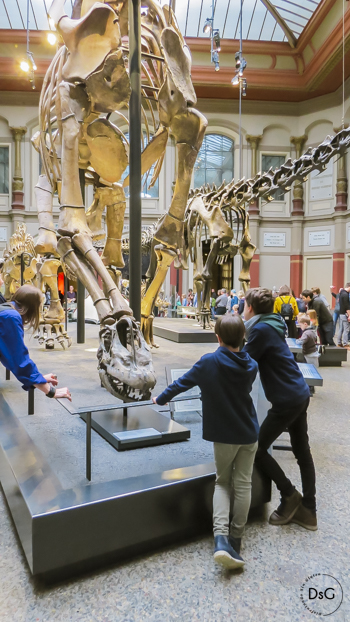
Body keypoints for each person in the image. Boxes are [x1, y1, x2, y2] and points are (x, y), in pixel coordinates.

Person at [153, 315, 259, 569]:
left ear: (218, 338)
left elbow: (182, 383)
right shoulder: (252, 364)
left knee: (223, 483)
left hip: (225, 434)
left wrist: (161, 398)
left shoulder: (209, 361)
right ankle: (236, 538)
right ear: (242, 337)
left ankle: (221, 539)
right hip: (249, 432)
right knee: (243, 484)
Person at [243, 288, 317, 531]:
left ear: (251, 308)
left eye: (244, 305)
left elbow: (244, 362)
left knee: (257, 448)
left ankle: (289, 495)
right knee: (302, 451)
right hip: (299, 392)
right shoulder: (273, 324)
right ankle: (309, 511)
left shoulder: (260, 329)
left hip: (287, 399)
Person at [0, 285, 71, 400]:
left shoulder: (6, 310)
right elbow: (19, 360)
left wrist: (39, 378)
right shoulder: (10, 317)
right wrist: (51, 391)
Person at [336, 282, 350, 347]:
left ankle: (339, 342)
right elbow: (347, 307)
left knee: (341, 329)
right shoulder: (345, 295)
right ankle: (345, 343)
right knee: (346, 329)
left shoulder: (341, 293)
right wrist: (349, 315)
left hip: (341, 313)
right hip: (345, 314)